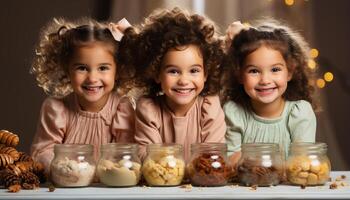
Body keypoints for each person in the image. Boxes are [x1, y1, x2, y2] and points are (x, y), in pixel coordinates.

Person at [30, 17, 135, 171]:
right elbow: (42, 152)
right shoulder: (57, 109)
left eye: (103, 68)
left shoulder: (122, 109)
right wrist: (63, 168)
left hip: (110, 189)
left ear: (117, 71)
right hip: (66, 187)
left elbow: (127, 154)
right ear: (67, 70)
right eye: (82, 68)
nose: (92, 78)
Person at [131, 8, 226, 161]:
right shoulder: (149, 109)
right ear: (156, 73)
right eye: (173, 71)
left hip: (202, 182)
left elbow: (213, 155)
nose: (183, 81)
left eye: (194, 70)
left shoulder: (209, 106)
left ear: (206, 74)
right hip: (161, 181)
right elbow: (147, 156)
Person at [221, 20, 317, 166]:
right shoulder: (234, 112)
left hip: (290, 189)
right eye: (254, 71)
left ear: (290, 72)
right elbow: (229, 161)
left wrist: (253, 160)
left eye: (275, 70)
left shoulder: (300, 113)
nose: (265, 80)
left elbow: (300, 163)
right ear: (239, 75)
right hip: (244, 187)